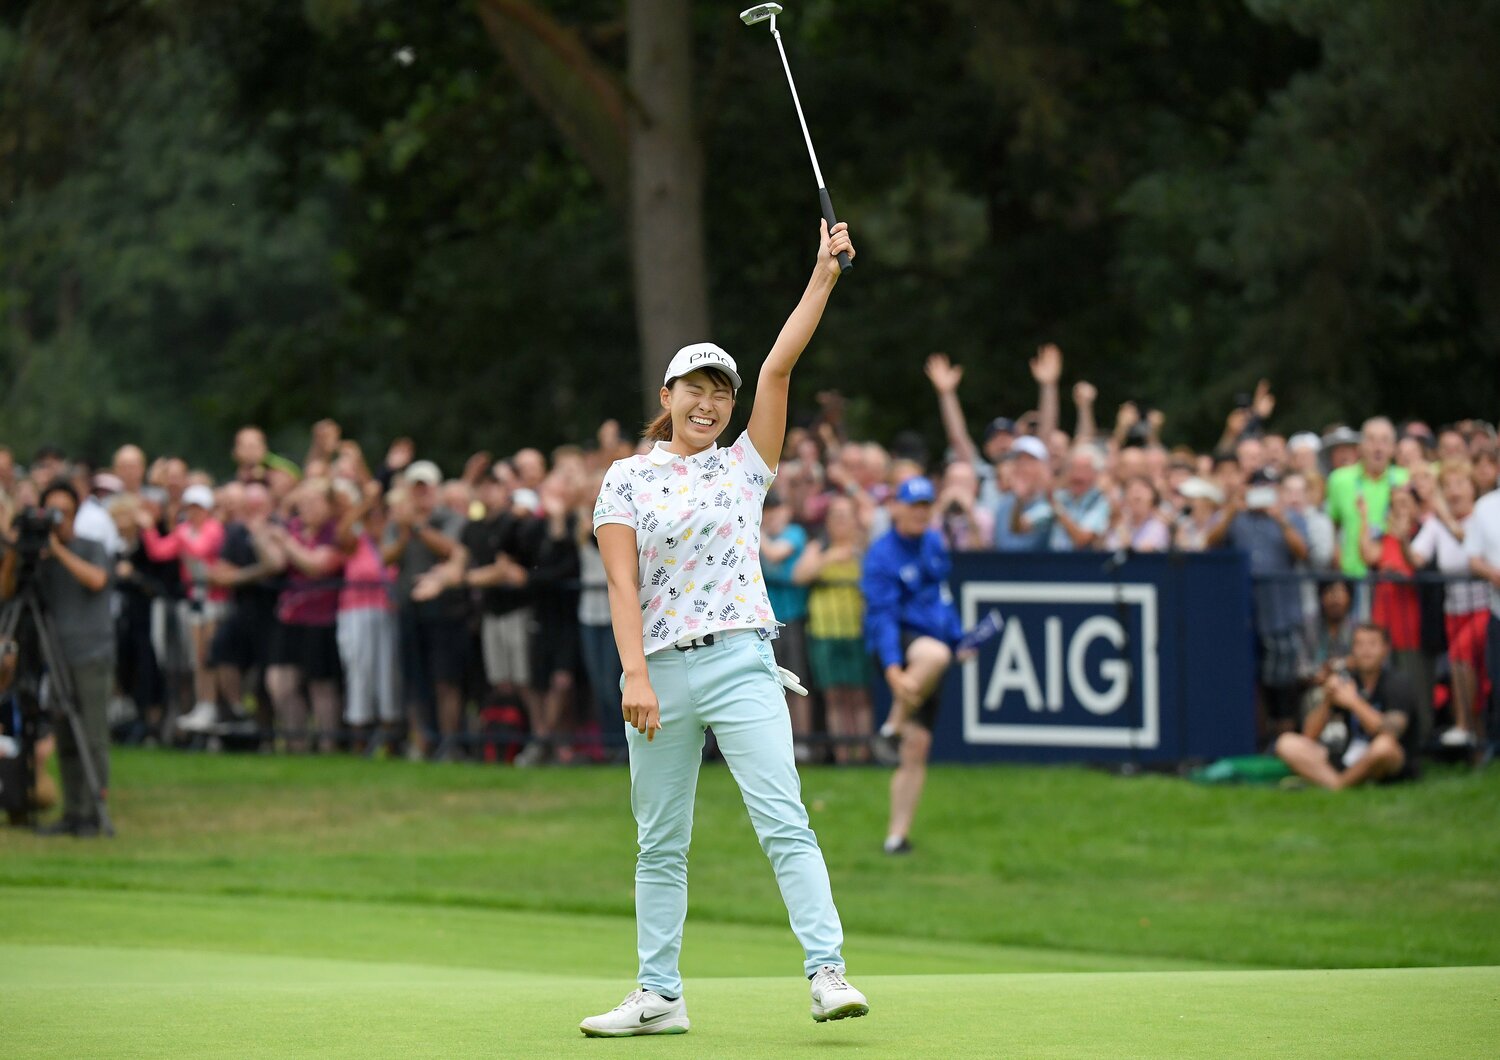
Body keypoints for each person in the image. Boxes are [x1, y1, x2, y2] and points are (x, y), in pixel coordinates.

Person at [582, 221, 866, 1037]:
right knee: (659, 840)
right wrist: (634, 673)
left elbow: (780, 365)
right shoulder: (626, 478)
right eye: (693, 389)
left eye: (720, 393)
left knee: (784, 816)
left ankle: (827, 971)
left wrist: (822, 278)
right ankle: (658, 995)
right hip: (661, 673)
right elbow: (621, 582)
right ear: (666, 397)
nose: (708, 403)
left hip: (743, 660)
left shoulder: (743, 466)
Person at [1, 482, 114, 836]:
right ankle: (73, 811)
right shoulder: (42, 560)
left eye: (63, 513)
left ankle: (93, 812)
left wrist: (57, 550)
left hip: (91, 654)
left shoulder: (90, 548)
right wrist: (18, 552)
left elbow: (96, 580)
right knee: (65, 736)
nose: (57, 521)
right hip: (57, 657)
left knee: (90, 736)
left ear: (76, 514)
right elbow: (6, 592)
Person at [861, 475, 964, 854]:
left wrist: (960, 638)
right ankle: (893, 723)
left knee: (917, 746)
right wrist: (892, 669)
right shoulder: (882, 554)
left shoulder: (934, 543)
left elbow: (943, 598)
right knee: (935, 655)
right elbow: (882, 616)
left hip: (931, 643)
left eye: (926, 506)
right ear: (897, 508)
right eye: (914, 505)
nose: (921, 513)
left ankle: (896, 837)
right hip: (901, 645)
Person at [1207, 469, 1309, 745]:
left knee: (1283, 684)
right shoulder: (1236, 519)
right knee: (1249, 682)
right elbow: (1210, 543)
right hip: (1244, 618)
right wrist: (1230, 510)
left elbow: (1303, 553)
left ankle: (1286, 742)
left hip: (1281, 615)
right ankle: (1255, 740)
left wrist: (1281, 519)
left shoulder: (1290, 517)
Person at [1275, 623, 1418, 789]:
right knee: (1286, 743)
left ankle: (1338, 785)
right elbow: (1309, 735)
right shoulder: (1349, 680)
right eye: (1360, 644)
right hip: (1350, 756)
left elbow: (1390, 731)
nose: (1366, 651)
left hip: (1390, 761)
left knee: (1383, 746)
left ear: (1386, 649)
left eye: (1372, 644)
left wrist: (1354, 702)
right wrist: (1327, 700)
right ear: (1352, 650)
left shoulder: (1398, 683)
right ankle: (1340, 782)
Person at [1408, 463, 1488, 750]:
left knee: (1460, 660)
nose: (1454, 491)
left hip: (1483, 608)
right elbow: (1416, 557)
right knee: (1470, 674)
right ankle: (1478, 741)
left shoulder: (1483, 517)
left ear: (1472, 488)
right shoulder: (1435, 523)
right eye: (1448, 485)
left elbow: (1473, 552)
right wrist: (1401, 531)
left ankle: (1464, 726)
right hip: (1453, 612)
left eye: (1459, 484)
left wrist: (1445, 520)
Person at [793, 494, 871, 764]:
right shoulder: (819, 547)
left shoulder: (864, 549)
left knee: (859, 693)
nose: (840, 521)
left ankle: (862, 752)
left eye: (845, 515)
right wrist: (829, 558)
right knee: (834, 694)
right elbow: (799, 575)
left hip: (856, 630)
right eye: (835, 515)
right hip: (825, 630)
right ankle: (841, 755)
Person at [761, 491, 816, 759]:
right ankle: (776, 746)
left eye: (776, 510)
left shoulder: (794, 533)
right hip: (764, 621)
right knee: (768, 685)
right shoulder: (761, 534)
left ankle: (802, 744)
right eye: (766, 511)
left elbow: (774, 555)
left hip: (792, 617)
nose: (771, 517)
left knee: (796, 682)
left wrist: (752, 526)